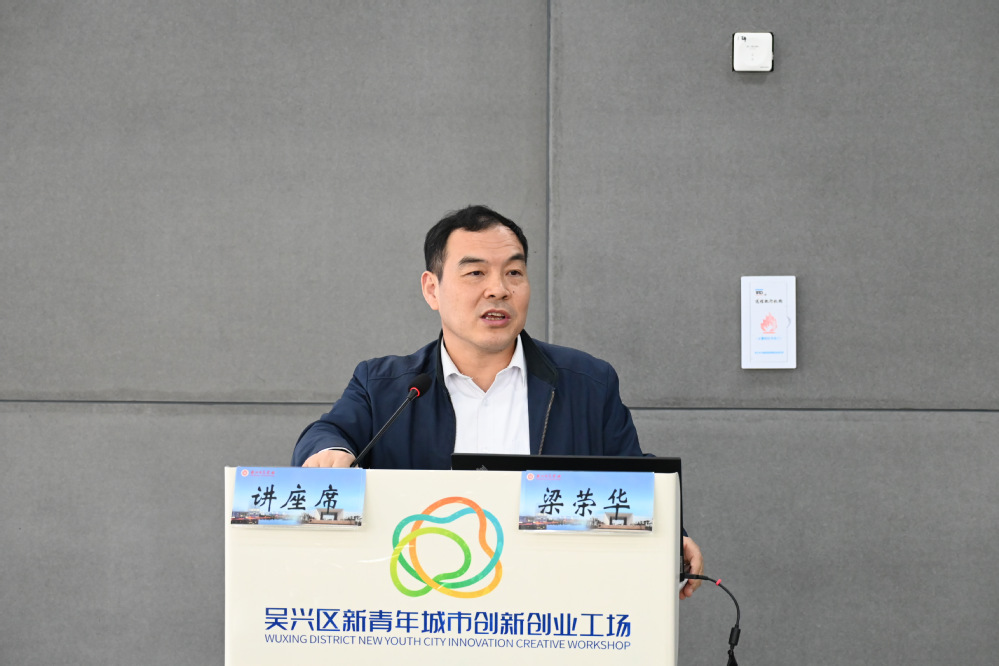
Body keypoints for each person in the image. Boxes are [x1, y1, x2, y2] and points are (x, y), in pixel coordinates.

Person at [292, 205, 703, 599]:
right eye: (475, 272)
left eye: (514, 273)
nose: (499, 289)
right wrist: (329, 453)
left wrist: (671, 535)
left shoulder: (588, 384)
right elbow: (328, 433)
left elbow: (632, 484)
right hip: (420, 609)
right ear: (432, 289)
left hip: (549, 613)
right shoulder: (387, 386)